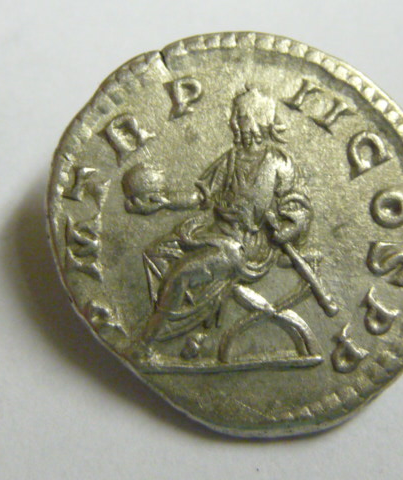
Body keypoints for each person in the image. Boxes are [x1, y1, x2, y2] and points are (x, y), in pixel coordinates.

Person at [124, 87, 313, 345]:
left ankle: (148, 342)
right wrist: (165, 201)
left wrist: (289, 228)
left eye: (240, 116)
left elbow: (298, 206)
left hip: (244, 246)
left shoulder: (279, 162)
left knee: (181, 274)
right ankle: (196, 325)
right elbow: (200, 196)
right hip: (214, 234)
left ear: (258, 120)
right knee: (157, 253)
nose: (232, 121)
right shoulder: (231, 159)